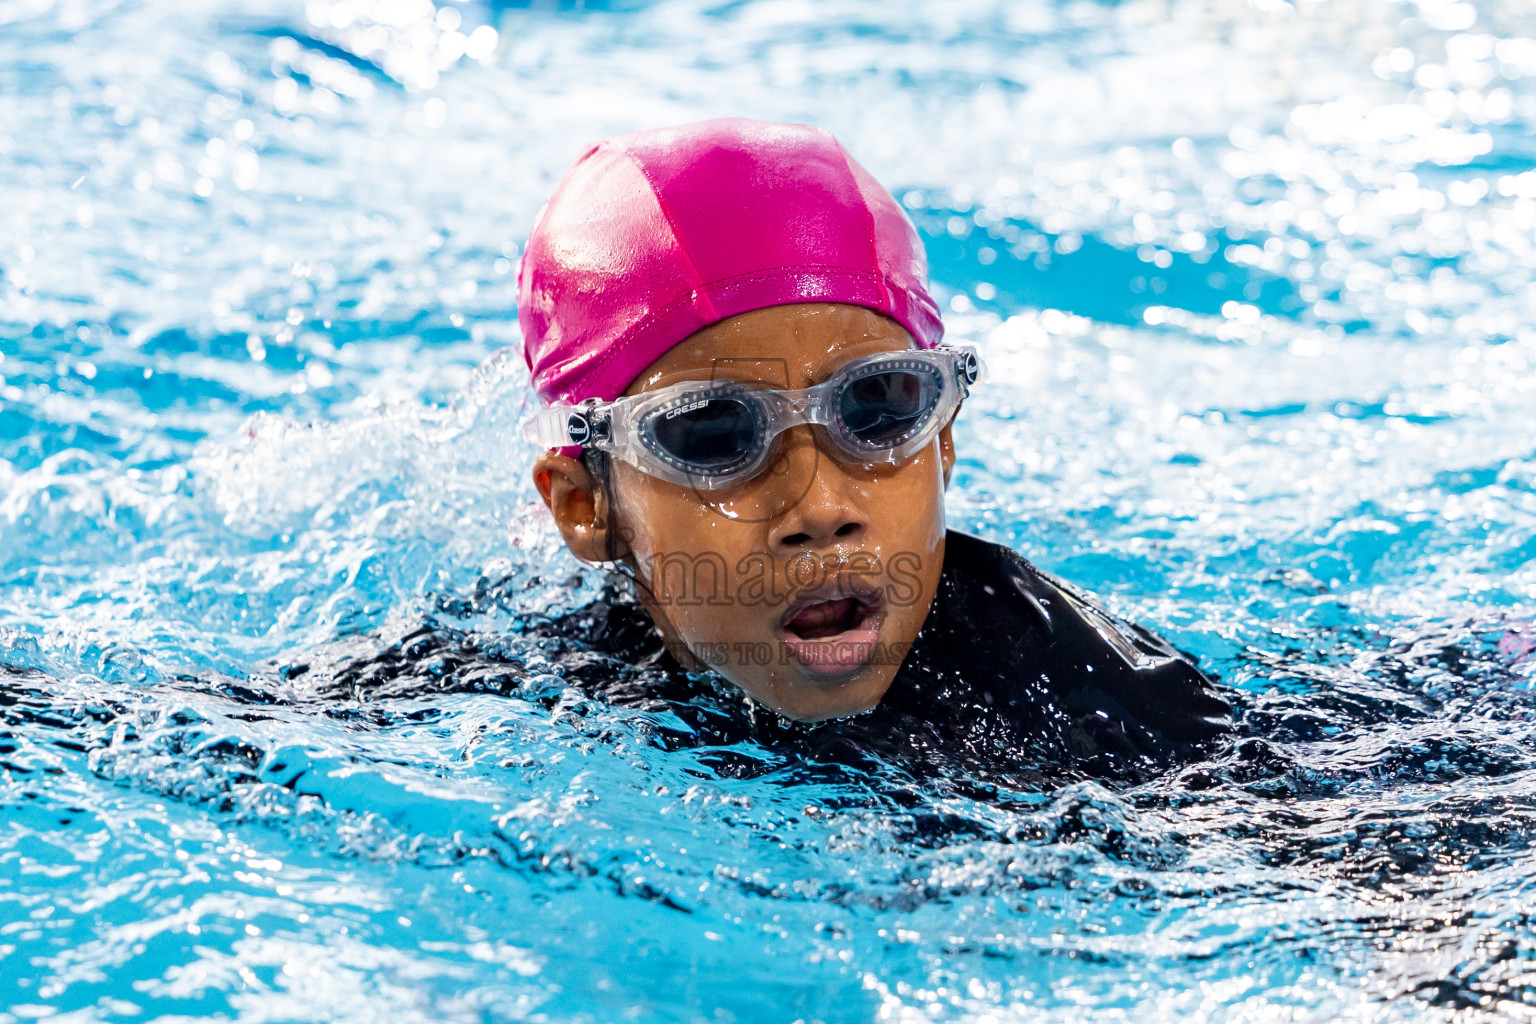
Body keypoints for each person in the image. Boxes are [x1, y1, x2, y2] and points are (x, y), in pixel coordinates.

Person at [517, 118, 1231, 780]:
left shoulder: (1102, 708)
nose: (821, 507)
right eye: (713, 435)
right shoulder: (509, 696)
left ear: (942, 436)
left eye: (879, 408)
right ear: (586, 507)